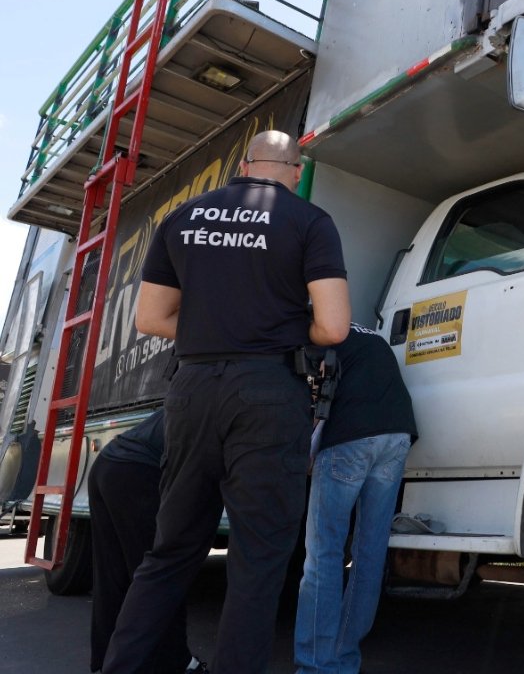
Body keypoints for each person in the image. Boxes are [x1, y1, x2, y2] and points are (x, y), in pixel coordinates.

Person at [103, 130, 351, 674]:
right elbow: (333, 327)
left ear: (243, 165)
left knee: (169, 553)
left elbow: (150, 318)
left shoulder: (183, 217)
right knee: (258, 560)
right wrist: (275, 331)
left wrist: (215, 328)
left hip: (191, 391)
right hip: (268, 394)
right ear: (294, 169)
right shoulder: (310, 222)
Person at [294, 323, 418, 674]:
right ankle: (344, 659)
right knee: (369, 554)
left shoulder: (310, 331)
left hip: (350, 436)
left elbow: (306, 395)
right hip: (397, 434)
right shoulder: (364, 334)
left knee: (324, 556)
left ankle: (317, 667)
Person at [88, 410, 204, 673]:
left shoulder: (197, 386)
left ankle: (106, 660)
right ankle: (177, 663)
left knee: (113, 577)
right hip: (138, 470)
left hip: (108, 462)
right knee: (162, 575)